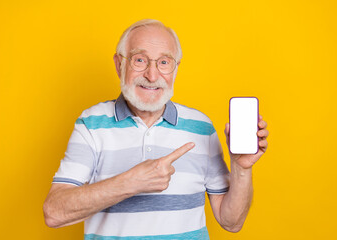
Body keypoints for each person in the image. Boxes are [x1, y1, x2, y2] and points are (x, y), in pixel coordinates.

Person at [43, 19, 269, 239]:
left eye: (164, 62)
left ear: (176, 69)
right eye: (140, 60)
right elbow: (54, 213)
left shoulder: (202, 128)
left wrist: (241, 169)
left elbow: (232, 222)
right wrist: (130, 182)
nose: (152, 76)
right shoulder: (91, 124)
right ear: (119, 64)